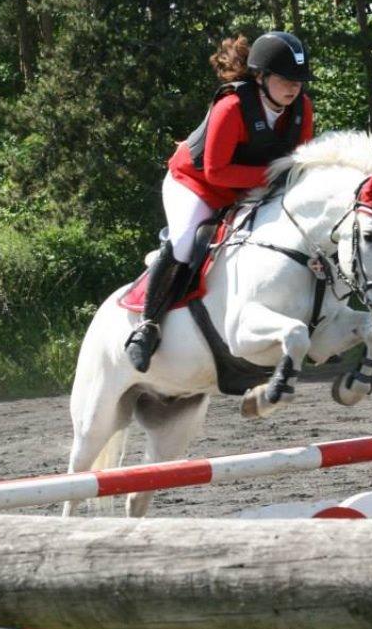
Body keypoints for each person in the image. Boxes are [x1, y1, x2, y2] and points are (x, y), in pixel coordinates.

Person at [125, 31, 316, 373]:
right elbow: (216, 172)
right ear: (260, 76)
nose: (294, 88)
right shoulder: (231, 107)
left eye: (299, 81)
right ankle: (147, 326)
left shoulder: (301, 109)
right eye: (286, 79)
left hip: (248, 190)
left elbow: (298, 164)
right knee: (185, 243)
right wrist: (272, 176)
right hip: (196, 184)